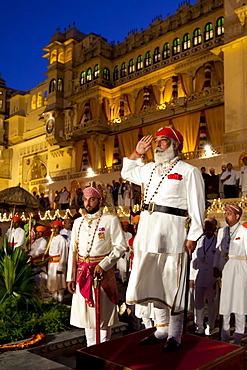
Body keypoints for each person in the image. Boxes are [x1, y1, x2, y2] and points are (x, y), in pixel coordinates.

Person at [121, 126, 205, 352]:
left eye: (163, 141)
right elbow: (126, 173)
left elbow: (197, 206)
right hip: (148, 232)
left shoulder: (189, 171)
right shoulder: (148, 168)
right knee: (155, 280)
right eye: (156, 141)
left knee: (172, 283)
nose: (158, 144)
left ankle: (175, 336)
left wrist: (193, 235)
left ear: (175, 145)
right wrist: (137, 153)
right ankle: (161, 329)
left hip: (174, 232)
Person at [66, 187, 126, 347]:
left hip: (102, 274)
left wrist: (104, 264)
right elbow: (73, 251)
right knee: (87, 316)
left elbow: (120, 247)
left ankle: (103, 350)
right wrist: (70, 277)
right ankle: (91, 349)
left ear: (100, 201)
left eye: (92, 199)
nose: (88, 202)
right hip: (82, 273)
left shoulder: (110, 220)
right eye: (85, 199)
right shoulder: (78, 222)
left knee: (103, 315)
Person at [213, 205, 247, 345]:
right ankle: (224, 338)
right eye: (226, 214)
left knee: (239, 304)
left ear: (237, 216)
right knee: (225, 305)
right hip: (225, 270)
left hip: (240, 270)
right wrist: (216, 266)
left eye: (229, 214)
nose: (226, 216)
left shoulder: (244, 232)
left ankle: (238, 340)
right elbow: (218, 252)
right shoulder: (222, 231)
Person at [190, 218, 218, 336]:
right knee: (198, 302)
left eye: (210, 227)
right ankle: (199, 325)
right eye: (206, 227)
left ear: (214, 228)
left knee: (212, 302)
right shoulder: (199, 241)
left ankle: (210, 325)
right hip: (200, 275)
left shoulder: (218, 241)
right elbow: (193, 260)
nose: (208, 230)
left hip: (212, 277)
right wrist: (191, 277)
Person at [46, 220, 68, 302]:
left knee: (59, 282)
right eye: (53, 228)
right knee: (53, 282)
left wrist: (61, 266)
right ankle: (54, 297)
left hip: (58, 263)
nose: (54, 230)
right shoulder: (52, 238)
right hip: (51, 263)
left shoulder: (62, 240)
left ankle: (60, 298)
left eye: (56, 228)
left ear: (60, 229)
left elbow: (64, 254)